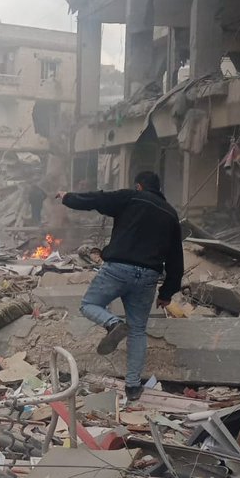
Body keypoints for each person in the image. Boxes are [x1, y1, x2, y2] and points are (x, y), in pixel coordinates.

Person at [58, 171, 183, 401]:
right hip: (148, 276)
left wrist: (68, 197)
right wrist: (166, 293)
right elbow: (176, 258)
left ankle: (113, 323)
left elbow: (98, 199)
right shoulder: (170, 213)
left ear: (139, 186)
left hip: (118, 269)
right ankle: (133, 387)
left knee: (89, 304)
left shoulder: (131, 197)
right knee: (137, 330)